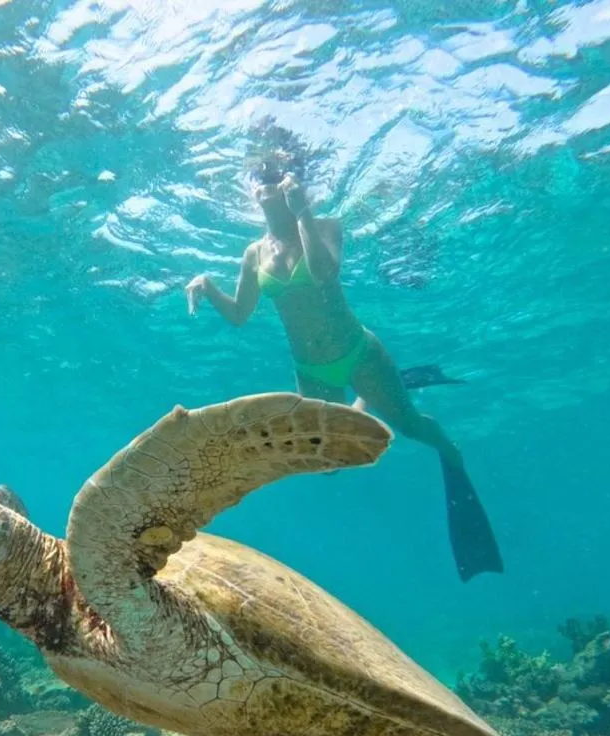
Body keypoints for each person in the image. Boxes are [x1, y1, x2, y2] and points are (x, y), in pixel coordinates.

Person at [185, 151, 502, 582]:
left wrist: (304, 215)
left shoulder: (325, 225)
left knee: (408, 426)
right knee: (329, 462)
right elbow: (241, 314)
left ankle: (449, 449)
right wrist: (209, 286)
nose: (263, 186)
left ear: (291, 183)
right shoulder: (253, 252)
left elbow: (323, 273)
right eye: (258, 179)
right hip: (310, 368)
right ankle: (366, 397)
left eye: (274, 177)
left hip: (357, 351)